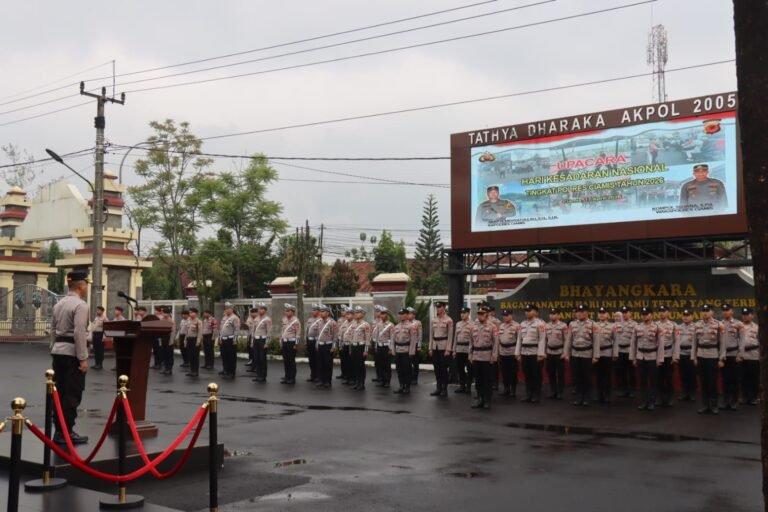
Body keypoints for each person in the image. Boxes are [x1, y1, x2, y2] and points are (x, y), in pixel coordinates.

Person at [50, 271, 91, 445]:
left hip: (58, 351)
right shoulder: (81, 305)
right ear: (81, 286)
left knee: (59, 392)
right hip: (72, 353)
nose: (87, 287)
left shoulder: (59, 304)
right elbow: (79, 331)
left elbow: (52, 329)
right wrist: (83, 358)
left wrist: (53, 348)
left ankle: (59, 430)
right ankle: (66, 431)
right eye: (87, 284)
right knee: (72, 393)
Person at [693, 304, 725, 414]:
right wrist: (694, 357)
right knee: (703, 381)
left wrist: (721, 358)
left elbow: (722, 343)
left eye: (707, 310)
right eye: (703, 311)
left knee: (712, 382)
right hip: (701, 355)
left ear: (712, 312)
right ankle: (705, 404)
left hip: (713, 356)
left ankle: (714, 405)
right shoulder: (697, 325)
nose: (705, 313)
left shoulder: (718, 325)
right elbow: (694, 343)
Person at [564, 304, 597, 407]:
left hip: (587, 354)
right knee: (577, 377)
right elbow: (569, 340)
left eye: (582, 311)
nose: (579, 313)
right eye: (578, 311)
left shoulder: (593, 324)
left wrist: (595, 356)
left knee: (586, 377)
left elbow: (596, 342)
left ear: (587, 312)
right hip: (575, 354)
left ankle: (587, 397)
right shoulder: (572, 324)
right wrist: (566, 353)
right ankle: (579, 397)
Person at [631, 307, 662, 411]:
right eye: (643, 314)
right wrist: (633, 358)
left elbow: (660, 345)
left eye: (646, 314)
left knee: (653, 381)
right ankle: (644, 401)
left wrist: (659, 359)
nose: (644, 316)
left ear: (651, 315)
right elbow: (633, 343)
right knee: (642, 381)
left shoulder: (657, 327)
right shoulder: (637, 327)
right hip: (641, 356)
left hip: (652, 357)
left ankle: (652, 402)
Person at [469, 307, 499, 410]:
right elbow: (471, 342)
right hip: (476, 355)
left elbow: (495, 343)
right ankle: (480, 399)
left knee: (487, 380)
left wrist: (494, 356)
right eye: (479, 314)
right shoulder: (474, 327)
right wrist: (470, 355)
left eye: (482, 313)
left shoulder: (492, 327)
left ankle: (487, 400)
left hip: (487, 356)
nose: (480, 315)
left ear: (487, 314)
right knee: (478, 380)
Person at [429, 301, 454, 397]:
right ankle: (438, 387)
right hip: (435, 346)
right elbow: (431, 335)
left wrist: (448, 349)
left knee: (444, 369)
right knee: (437, 368)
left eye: (439, 307)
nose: (438, 309)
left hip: (444, 347)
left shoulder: (449, 320)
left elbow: (450, 336)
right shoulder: (434, 320)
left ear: (444, 308)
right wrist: (430, 348)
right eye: (437, 307)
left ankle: (444, 388)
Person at [719, 303, 742, 410]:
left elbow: (742, 341)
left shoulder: (738, 324)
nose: (725, 312)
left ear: (732, 311)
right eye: (723, 310)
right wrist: (719, 358)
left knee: (734, 379)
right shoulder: (719, 324)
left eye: (727, 310)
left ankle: (734, 401)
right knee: (725, 379)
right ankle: (725, 400)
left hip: (734, 355)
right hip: (723, 356)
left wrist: (740, 354)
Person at [673, 308, 697, 401]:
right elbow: (675, 342)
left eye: (687, 316)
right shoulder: (678, 327)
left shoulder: (696, 327)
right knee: (683, 374)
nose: (685, 317)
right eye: (684, 315)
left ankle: (692, 393)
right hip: (681, 353)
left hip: (691, 353)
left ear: (692, 316)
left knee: (692, 374)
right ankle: (685, 392)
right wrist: (675, 355)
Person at [594, 307, 617, 404]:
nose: (601, 314)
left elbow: (616, 341)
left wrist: (615, 354)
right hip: (597, 353)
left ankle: (607, 395)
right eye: (600, 312)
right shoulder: (594, 325)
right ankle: (600, 395)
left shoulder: (612, 326)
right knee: (598, 376)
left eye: (604, 313)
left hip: (607, 352)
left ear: (608, 315)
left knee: (607, 376)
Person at [544, 308, 568, 400]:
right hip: (549, 352)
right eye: (551, 314)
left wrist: (565, 353)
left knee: (560, 373)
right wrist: (544, 352)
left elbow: (566, 340)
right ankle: (553, 391)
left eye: (554, 314)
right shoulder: (546, 325)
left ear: (558, 315)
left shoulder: (563, 326)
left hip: (559, 352)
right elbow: (545, 340)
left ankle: (560, 392)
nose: (552, 315)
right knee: (551, 373)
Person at [614, 306, 637, 398]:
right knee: (621, 372)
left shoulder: (635, 324)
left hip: (629, 350)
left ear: (630, 313)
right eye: (623, 312)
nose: (624, 314)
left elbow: (636, 340)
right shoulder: (617, 324)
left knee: (631, 372)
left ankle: (632, 390)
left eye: (626, 312)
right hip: (620, 350)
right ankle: (624, 389)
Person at [738, 308, 759, 405]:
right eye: (744, 314)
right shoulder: (738, 326)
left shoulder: (757, 327)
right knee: (743, 377)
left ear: (752, 315)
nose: (745, 316)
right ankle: (744, 396)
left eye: (747, 314)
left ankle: (754, 397)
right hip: (742, 355)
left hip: (754, 354)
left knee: (754, 377)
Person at [497, 309, 520, 398]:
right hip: (503, 352)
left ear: (511, 315)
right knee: (504, 372)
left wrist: (518, 353)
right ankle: (506, 388)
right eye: (504, 315)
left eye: (507, 315)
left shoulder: (517, 326)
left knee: (513, 372)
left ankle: (513, 390)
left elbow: (519, 340)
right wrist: (498, 352)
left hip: (512, 351)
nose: (505, 317)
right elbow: (498, 340)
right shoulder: (501, 326)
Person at [656, 306, 676, 407]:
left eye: (663, 311)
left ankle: (669, 398)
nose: (661, 313)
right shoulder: (654, 325)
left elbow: (676, 342)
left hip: (668, 354)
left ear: (668, 312)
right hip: (657, 355)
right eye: (660, 311)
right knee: (658, 378)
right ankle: (659, 398)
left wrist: (674, 356)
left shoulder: (673, 325)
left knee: (668, 379)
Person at [452, 307, 474, 395]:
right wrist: (454, 350)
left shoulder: (472, 324)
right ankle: (462, 385)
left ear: (468, 313)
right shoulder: (458, 324)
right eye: (461, 313)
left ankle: (468, 386)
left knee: (470, 369)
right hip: (459, 349)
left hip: (468, 349)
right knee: (460, 369)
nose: (462, 314)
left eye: (464, 313)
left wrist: (472, 351)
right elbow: (455, 338)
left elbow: (473, 339)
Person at [393, 309, 415, 395]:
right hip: (398, 350)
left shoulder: (411, 326)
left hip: (406, 350)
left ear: (407, 315)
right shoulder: (397, 326)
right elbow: (393, 340)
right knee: (399, 369)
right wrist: (393, 350)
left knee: (407, 369)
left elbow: (413, 340)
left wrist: (411, 352)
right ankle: (401, 385)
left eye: (402, 314)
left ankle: (407, 386)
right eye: (400, 314)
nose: (401, 316)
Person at [315, 305, 337, 389]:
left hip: (328, 345)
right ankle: (321, 380)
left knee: (328, 364)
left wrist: (333, 346)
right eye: (320, 311)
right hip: (320, 345)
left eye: (323, 311)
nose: (321, 313)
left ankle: (328, 381)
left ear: (327, 313)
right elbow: (318, 334)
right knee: (320, 364)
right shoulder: (319, 322)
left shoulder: (332, 322)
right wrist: (317, 344)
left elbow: (335, 335)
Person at [350, 306, 371, 391]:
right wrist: (350, 349)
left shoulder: (365, 325)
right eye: (355, 312)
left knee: (360, 366)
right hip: (354, 346)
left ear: (362, 314)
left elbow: (367, 338)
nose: (356, 314)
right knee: (355, 366)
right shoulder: (353, 324)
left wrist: (366, 350)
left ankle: (361, 383)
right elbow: (351, 337)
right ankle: (357, 382)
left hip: (361, 347)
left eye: (358, 312)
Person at [280, 304, 301, 384]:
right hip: (285, 342)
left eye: (288, 311)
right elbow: (282, 331)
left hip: (292, 342)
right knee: (286, 360)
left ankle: (292, 378)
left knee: (291, 361)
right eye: (286, 311)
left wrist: (296, 344)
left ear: (292, 312)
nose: (286, 312)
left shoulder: (296, 321)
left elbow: (298, 333)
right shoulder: (284, 319)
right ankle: (287, 376)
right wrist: (281, 342)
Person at [251, 303, 272, 383]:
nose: (260, 310)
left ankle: (263, 376)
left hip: (262, 340)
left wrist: (267, 343)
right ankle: (258, 375)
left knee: (262, 359)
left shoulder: (267, 319)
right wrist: (252, 341)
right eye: (259, 308)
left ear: (265, 310)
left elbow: (269, 332)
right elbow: (253, 330)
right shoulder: (256, 318)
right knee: (256, 358)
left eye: (262, 309)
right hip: (256, 340)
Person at [219, 302, 241, 379]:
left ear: (231, 309)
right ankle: (225, 370)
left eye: (228, 308)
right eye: (226, 308)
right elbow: (221, 329)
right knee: (224, 356)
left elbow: (237, 329)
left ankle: (231, 372)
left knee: (231, 357)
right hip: (223, 339)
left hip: (230, 339)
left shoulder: (235, 318)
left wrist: (235, 340)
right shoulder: (224, 318)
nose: (226, 310)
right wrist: (220, 338)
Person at [375, 307, 394, 388]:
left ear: (387, 315)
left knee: (387, 365)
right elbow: (376, 337)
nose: (381, 315)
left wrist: (391, 349)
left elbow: (392, 338)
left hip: (386, 347)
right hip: (379, 346)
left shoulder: (390, 325)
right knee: (380, 364)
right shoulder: (379, 324)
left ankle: (387, 381)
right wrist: (376, 346)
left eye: (383, 314)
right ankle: (382, 380)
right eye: (381, 313)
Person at [306, 304, 323, 383]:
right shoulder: (310, 320)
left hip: (317, 341)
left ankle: (319, 376)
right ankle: (312, 375)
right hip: (310, 341)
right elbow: (307, 330)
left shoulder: (321, 320)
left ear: (319, 311)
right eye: (312, 310)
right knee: (311, 359)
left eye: (315, 310)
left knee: (317, 359)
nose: (313, 312)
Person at [185, 308, 203, 377]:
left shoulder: (198, 322)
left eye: (192, 312)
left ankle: (195, 371)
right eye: (190, 312)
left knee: (195, 356)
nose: (190, 314)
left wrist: (198, 341)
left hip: (194, 340)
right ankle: (192, 370)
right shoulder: (188, 321)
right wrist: (185, 340)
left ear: (196, 313)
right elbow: (187, 332)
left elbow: (200, 332)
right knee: (190, 356)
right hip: (189, 340)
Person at [336, 307, 353, 383]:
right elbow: (340, 332)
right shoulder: (342, 321)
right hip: (343, 343)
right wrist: (340, 343)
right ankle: (346, 376)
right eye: (346, 313)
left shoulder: (354, 323)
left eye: (348, 313)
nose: (346, 315)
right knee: (344, 361)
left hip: (352, 345)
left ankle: (352, 378)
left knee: (351, 362)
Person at [408, 307, 423, 385]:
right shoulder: (405, 323)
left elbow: (420, 335)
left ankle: (415, 378)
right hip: (407, 345)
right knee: (408, 363)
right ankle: (409, 377)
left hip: (415, 344)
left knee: (415, 363)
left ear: (414, 315)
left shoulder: (418, 323)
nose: (408, 315)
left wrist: (419, 346)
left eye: (410, 313)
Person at [159, 306, 176, 376]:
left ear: (168, 313)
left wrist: (171, 341)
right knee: (164, 354)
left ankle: (169, 369)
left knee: (169, 355)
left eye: (165, 313)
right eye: (163, 313)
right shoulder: (161, 320)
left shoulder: (171, 321)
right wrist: (160, 340)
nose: (163, 314)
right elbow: (159, 331)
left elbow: (173, 332)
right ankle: (165, 368)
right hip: (163, 338)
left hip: (169, 338)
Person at [370, 306, 384, 384]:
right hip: (374, 342)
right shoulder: (374, 322)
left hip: (381, 343)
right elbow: (372, 332)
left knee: (382, 361)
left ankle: (382, 377)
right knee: (377, 361)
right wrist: (371, 342)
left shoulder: (384, 322)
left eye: (378, 311)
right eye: (376, 311)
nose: (377, 313)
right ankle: (378, 376)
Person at [90, 306, 106, 370]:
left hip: (100, 335)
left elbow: (105, 329)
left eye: (99, 310)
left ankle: (100, 364)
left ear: (102, 311)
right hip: (95, 334)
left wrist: (104, 337)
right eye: (97, 310)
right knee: (96, 350)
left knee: (100, 351)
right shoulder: (96, 318)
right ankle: (96, 363)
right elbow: (93, 326)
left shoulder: (104, 318)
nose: (97, 311)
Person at [245, 308, 259, 374]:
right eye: (251, 313)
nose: (251, 314)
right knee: (251, 350)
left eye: (252, 313)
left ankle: (257, 367)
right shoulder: (249, 318)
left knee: (256, 352)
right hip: (251, 335)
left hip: (257, 337)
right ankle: (253, 365)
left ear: (256, 313)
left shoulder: (259, 319)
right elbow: (247, 325)